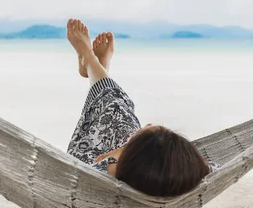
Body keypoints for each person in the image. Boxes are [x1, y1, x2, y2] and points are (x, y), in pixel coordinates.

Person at [66, 19, 220, 198]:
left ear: (128, 159)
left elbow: (99, 160)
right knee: (122, 118)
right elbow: (213, 168)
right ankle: (96, 70)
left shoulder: (98, 173)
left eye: (145, 128)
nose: (145, 124)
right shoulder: (193, 173)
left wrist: (119, 150)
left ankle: (90, 60)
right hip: (138, 171)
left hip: (89, 159)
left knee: (116, 111)